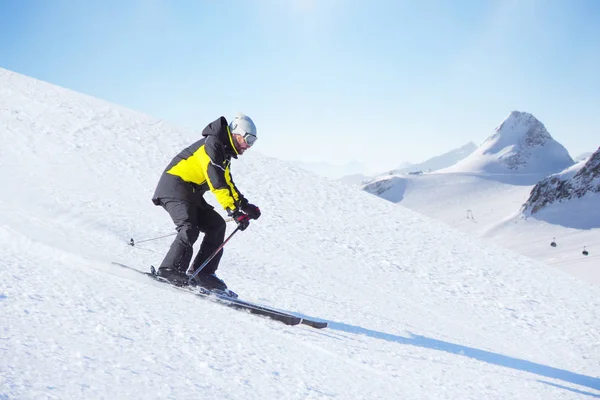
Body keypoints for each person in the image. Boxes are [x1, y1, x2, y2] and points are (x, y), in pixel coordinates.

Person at [151, 113, 261, 290]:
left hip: (190, 192)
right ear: (236, 133)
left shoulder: (223, 151)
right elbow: (217, 182)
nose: (249, 145)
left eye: (253, 141)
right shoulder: (213, 146)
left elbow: (227, 182)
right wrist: (234, 211)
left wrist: (244, 205)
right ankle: (169, 270)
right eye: (248, 139)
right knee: (189, 227)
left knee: (216, 225)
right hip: (174, 186)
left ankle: (204, 273)